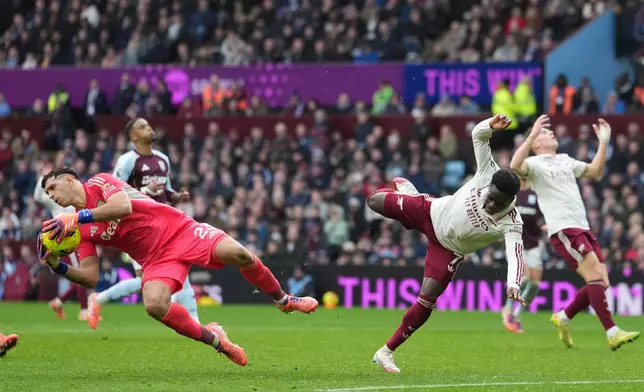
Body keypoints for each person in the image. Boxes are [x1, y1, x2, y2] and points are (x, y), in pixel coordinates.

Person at [37, 167, 318, 366]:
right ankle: (218, 341)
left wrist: (80, 216)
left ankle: (284, 300)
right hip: (155, 259)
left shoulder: (99, 182)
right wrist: (56, 265)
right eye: (47, 194)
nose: (51, 195)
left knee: (240, 253)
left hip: (180, 230)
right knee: (154, 305)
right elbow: (89, 278)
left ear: (70, 180)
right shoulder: (80, 231)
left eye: (52, 187)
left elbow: (123, 207)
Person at [367, 114, 526, 373]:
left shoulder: (512, 221)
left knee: (428, 294)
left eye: (498, 202)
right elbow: (478, 135)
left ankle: (386, 351)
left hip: (448, 249)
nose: (490, 203)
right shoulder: (488, 171)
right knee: (373, 201)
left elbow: (515, 254)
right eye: (490, 196)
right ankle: (412, 195)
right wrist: (489, 125)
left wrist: (513, 284)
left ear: (510, 201)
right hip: (431, 211)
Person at [510, 114, 640, 350]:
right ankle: (612, 332)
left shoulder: (565, 159)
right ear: (536, 143)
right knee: (596, 278)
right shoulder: (535, 165)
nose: (550, 132)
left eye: (549, 130)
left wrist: (603, 142)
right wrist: (531, 134)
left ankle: (564, 317)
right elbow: (514, 165)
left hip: (582, 226)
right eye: (545, 132)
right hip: (563, 228)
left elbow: (594, 171)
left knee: (603, 281)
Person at [87, 118, 198, 328]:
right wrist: (146, 192)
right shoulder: (127, 161)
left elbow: (166, 191)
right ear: (133, 136)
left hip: (164, 224)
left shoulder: (163, 159)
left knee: (167, 274)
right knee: (152, 279)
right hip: (138, 227)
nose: (149, 128)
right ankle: (98, 299)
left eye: (149, 125)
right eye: (143, 126)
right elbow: (112, 191)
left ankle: (97, 299)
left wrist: (176, 196)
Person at [34, 168, 89, 321]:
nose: (52, 193)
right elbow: (38, 197)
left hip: (82, 237)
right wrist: (42, 177)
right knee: (83, 274)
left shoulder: (78, 196)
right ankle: (84, 310)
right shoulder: (55, 202)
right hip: (66, 241)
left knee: (85, 275)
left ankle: (58, 302)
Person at [502, 178, 545, 333]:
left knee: (535, 284)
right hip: (516, 242)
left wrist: (544, 226)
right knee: (524, 277)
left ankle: (517, 315)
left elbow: (541, 217)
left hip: (533, 243)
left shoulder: (536, 194)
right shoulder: (512, 195)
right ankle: (507, 310)